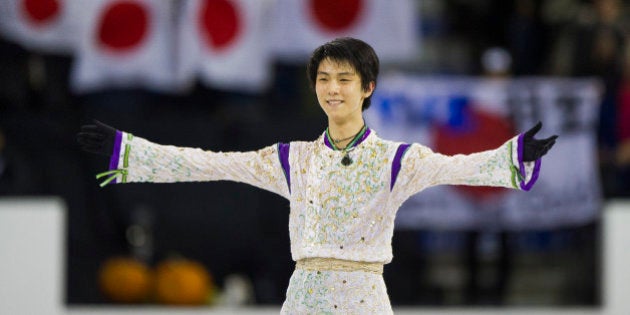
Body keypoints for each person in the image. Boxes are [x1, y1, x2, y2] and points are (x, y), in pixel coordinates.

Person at [77, 37, 557, 314]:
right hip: (304, 295)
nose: (333, 88)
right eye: (324, 79)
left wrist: (515, 156)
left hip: (366, 296)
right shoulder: (292, 159)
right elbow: (210, 162)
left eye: (344, 79)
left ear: (367, 88)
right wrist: (130, 151)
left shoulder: (397, 160)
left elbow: (462, 166)